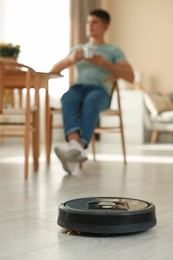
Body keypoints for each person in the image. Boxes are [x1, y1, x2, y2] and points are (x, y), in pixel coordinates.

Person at [50, 9, 134, 174]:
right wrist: (70, 59)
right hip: (78, 88)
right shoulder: (78, 49)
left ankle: (75, 150)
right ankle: (76, 149)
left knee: (91, 100)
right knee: (67, 98)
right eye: (88, 22)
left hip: (100, 91)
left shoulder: (113, 50)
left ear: (105, 26)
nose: (90, 26)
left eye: (94, 22)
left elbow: (130, 76)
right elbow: (52, 72)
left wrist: (105, 64)